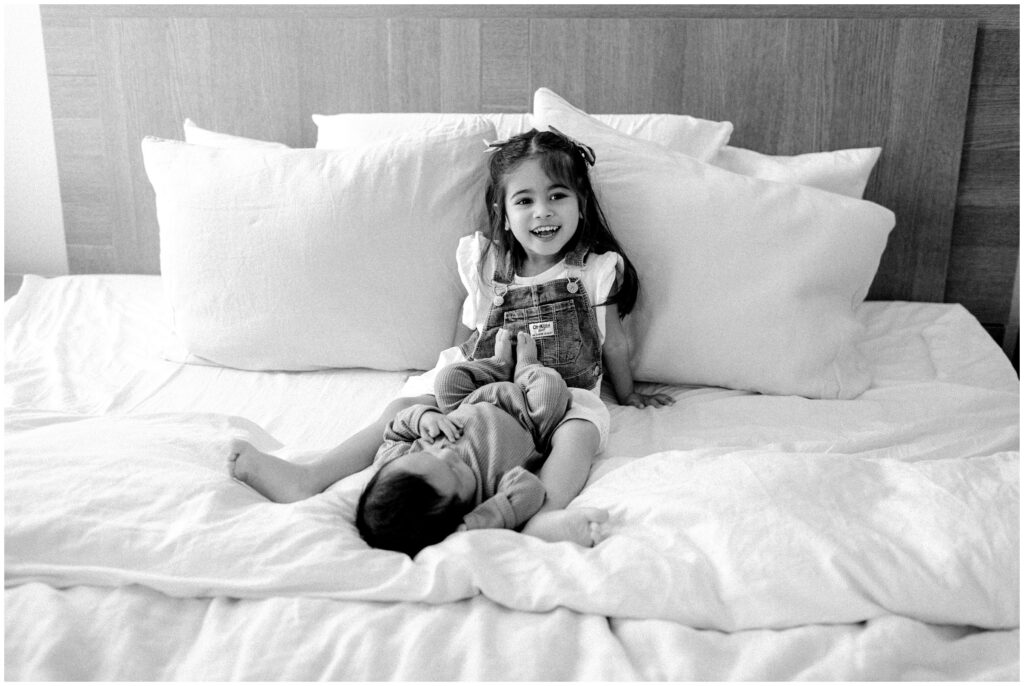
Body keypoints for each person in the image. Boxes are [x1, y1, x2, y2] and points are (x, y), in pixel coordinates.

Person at [230, 127, 673, 543]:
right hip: (483, 385)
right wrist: (450, 382)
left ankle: (544, 514)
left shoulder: (596, 270)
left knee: (581, 431)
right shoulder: (486, 263)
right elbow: (472, 332)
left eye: (558, 195)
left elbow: (613, 341)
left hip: (563, 393)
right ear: (503, 212)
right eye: (525, 200)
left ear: (581, 203)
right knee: (403, 408)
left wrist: (628, 392)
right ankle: (311, 476)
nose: (543, 211)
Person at [355, 329, 608, 556]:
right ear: (461, 511)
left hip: (468, 402)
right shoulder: (486, 493)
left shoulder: (396, 466)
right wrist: (486, 518)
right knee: (551, 390)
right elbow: (530, 490)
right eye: (454, 471)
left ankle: (499, 365)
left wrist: (423, 418)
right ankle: (527, 366)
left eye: (430, 454)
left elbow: (395, 432)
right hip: (529, 417)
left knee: (447, 380)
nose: (447, 455)